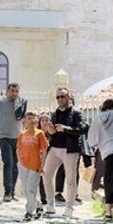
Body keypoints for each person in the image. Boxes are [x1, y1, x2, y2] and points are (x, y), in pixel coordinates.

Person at [42, 88, 87, 217]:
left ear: (69, 97)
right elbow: (51, 133)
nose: (60, 99)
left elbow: (83, 129)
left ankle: (69, 208)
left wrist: (65, 128)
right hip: (55, 148)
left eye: (63, 96)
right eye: (58, 97)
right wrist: (50, 132)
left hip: (70, 150)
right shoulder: (55, 113)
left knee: (71, 179)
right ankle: (50, 205)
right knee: (46, 175)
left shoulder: (77, 112)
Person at [0, 83, 27, 202]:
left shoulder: (21, 103)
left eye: (16, 91)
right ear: (7, 91)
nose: (14, 93)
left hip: (17, 139)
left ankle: (12, 191)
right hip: (4, 137)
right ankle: (7, 191)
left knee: (16, 165)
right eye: (12, 91)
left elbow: (24, 120)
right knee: (8, 163)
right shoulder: (0, 103)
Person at [16, 112, 49, 221]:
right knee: (27, 189)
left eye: (32, 118)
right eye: (28, 118)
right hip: (23, 165)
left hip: (35, 165)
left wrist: (42, 165)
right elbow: (18, 149)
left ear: (35, 120)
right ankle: (39, 206)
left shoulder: (39, 134)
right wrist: (20, 160)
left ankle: (29, 211)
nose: (30, 120)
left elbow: (44, 150)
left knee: (31, 188)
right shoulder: (22, 134)